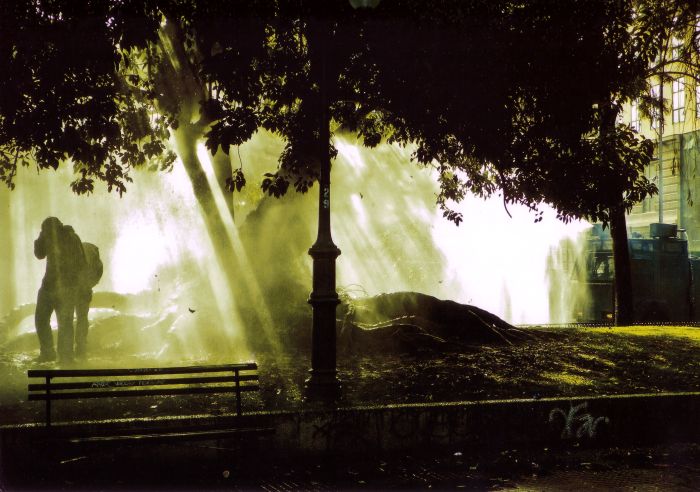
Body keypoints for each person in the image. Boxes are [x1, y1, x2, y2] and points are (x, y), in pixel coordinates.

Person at [34, 217, 101, 362]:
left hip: (67, 288)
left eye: (46, 231)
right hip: (49, 286)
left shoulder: (71, 238)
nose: (46, 233)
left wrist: (83, 287)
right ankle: (49, 353)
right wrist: (40, 237)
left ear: (57, 228)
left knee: (64, 322)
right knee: (41, 319)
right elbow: (39, 254)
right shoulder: (49, 237)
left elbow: (81, 264)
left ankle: (65, 356)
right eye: (44, 231)